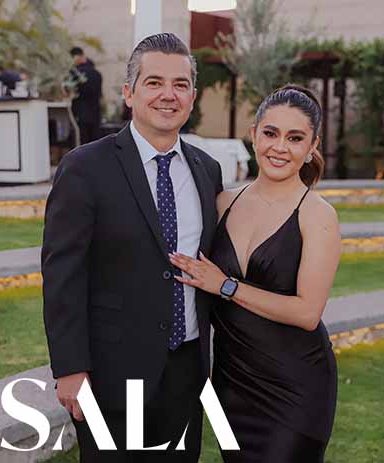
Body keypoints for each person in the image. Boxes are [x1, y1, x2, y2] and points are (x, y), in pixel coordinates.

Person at [42, 33, 223, 462]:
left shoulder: (207, 170)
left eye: (180, 84)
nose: (168, 95)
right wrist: (70, 368)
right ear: (129, 93)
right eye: (154, 82)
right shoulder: (85, 168)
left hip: (186, 371)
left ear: (192, 97)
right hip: (111, 373)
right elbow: (63, 275)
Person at [170, 85, 341, 462]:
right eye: (270, 133)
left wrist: (226, 286)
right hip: (232, 384)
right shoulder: (222, 202)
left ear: (312, 145)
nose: (280, 147)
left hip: (295, 388)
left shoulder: (317, 215)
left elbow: (307, 312)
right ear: (253, 135)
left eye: (295, 138)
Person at [68, 46, 103, 146]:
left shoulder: (74, 73)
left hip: (80, 113)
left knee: (82, 144)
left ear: (76, 57)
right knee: (95, 144)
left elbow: (70, 91)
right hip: (95, 114)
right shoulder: (97, 74)